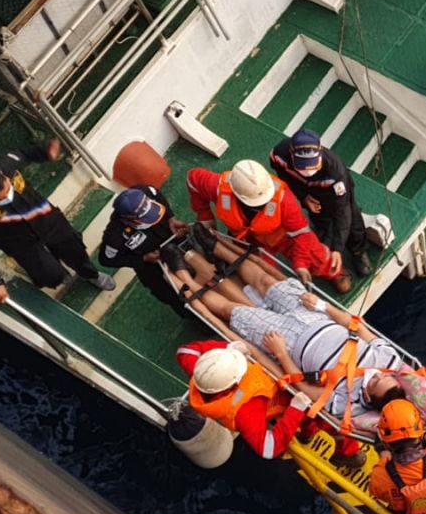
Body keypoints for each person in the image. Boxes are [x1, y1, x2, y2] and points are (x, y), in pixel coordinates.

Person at [163, 241, 403, 385]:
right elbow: (357, 326)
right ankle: (213, 246)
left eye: (378, 384)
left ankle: (185, 274)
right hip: (316, 317)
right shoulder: (390, 360)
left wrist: (281, 354)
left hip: (290, 345)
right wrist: (322, 306)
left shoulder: (347, 403)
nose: (379, 377)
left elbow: (303, 388)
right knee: (268, 282)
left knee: (235, 311)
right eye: (385, 379)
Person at [0, 139, 115, 304]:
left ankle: (89, 274)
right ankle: (60, 276)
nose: (9, 197)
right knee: (51, 275)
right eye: (2, 199)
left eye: (9, 188)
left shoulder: (6, 166)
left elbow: (25, 153)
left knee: (75, 251)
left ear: (3, 176)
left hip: (48, 221)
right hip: (21, 244)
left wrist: (46, 151)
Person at [180, 340, 365, 467]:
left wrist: (230, 348)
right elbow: (269, 449)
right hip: (285, 403)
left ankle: (307, 434)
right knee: (326, 420)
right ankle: (348, 454)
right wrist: (295, 409)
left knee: (307, 422)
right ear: (234, 380)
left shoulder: (203, 373)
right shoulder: (246, 410)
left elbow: (185, 351)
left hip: (282, 396)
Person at [186, 160, 351, 293]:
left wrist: (300, 264)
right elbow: (192, 179)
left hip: (283, 236)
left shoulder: (283, 199)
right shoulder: (218, 187)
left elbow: (301, 234)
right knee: (264, 278)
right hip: (247, 241)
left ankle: (334, 272)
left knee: (316, 253)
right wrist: (204, 215)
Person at [269, 129, 373, 277]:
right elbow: (284, 176)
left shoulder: (336, 171)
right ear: (291, 155)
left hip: (333, 192)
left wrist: (337, 248)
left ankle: (358, 250)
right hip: (309, 192)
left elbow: (343, 210)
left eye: (312, 165)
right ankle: (324, 235)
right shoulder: (279, 155)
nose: (308, 171)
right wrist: (303, 197)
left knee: (353, 220)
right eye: (303, 166)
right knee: (319, 218)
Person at [98, 185, 190, 314]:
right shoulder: (115, 236)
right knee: (177, 299)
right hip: (154, 267)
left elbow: (157, 194)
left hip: (176, 242)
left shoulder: (145, 190)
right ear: (127, 220)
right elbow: (106, 259)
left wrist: (171, 218)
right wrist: (142, 258)